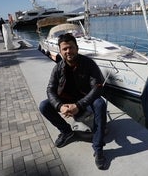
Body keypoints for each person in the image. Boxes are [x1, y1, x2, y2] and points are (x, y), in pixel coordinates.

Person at [39, 33, 107, 169]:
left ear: (77, 48)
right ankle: (66, 132)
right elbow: (50, 89)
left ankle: (98, 147)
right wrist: (60, 106)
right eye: (64, 49)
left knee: (100, 104)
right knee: (44, 106)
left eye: (71, 47)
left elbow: (97, 88)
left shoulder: (88, 64)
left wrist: (79, 105)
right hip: (67, 99)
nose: (68, 51)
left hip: (86, 98)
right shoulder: (58, 67)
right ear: (60, 51)